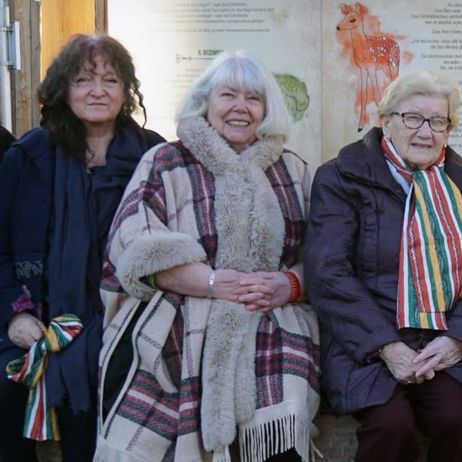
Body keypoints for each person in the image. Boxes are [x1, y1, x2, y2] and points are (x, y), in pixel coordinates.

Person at [96, 51, 319, 462]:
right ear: (206, 102)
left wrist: (286, 285)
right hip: (183, 313)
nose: (240, 107)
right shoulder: (165, 160)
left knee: (285, 390)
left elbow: (323, 253)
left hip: (272, 314)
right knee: (168, 371)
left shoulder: (294, 169)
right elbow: (134, 243)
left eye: (253, 99)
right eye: (228, 95)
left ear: (266, 109)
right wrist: (214, 283)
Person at [305, 69, 462, 462]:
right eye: (412, 118)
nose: (425, 132)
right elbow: (328, 272)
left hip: (440, 341)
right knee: (391, 426)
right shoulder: (341, 177)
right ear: (385, 120)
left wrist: (458, 339)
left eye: (438, 121)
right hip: (365, 343)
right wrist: (387, 346)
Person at [0, 34, 164, 461]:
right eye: (83, 80)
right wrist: (14, 314)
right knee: (5, 387)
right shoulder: (27, 157)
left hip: (130, 316)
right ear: (62, 88)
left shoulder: (154, 155)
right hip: (40, 315)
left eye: (110, 80)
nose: (98, 91)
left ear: (126, 90)